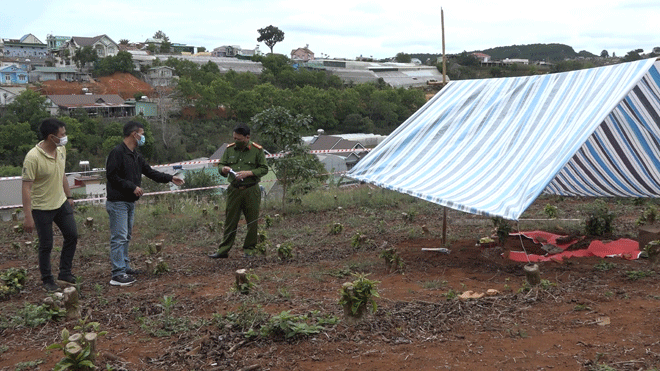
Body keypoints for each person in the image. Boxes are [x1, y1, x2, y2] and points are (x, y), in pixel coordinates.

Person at [105, 121, 184, 286]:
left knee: (126, 236)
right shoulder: (117, 153)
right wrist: (132, 186)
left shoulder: (136, 155)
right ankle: (117, 273)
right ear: (134, 134)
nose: (143, 137)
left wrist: (170, 178)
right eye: (142, 133)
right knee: (119, 237)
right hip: (118, 202)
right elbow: (112, 176)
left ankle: (125, 267)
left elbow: (150, 172)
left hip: (129, 202)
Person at [22, 118, 78, 292]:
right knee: (46, 245)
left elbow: (61, 174)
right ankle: (47, 279)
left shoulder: (61, 150)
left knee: (72, 235)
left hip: (60, 202)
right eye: (62, 134)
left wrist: (68, 196)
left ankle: (65, 272)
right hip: (41, 207)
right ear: (51, 136)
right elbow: (26, 187)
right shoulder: (33, 157)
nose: (65, 137)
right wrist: (28, 216)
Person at [209, 123, 268, 259]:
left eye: (239, 139)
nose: (236, 141)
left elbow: (264, 169)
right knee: (230, 221)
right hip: (234, 190)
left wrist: (249, 173)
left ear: (247, 137)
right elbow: (221, 165)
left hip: (251, 190)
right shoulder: (229, 149)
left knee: (252, 221)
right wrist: (223, 169)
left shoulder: (257, 150)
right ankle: (223, 250)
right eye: (234, 138)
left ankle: (249, 250)